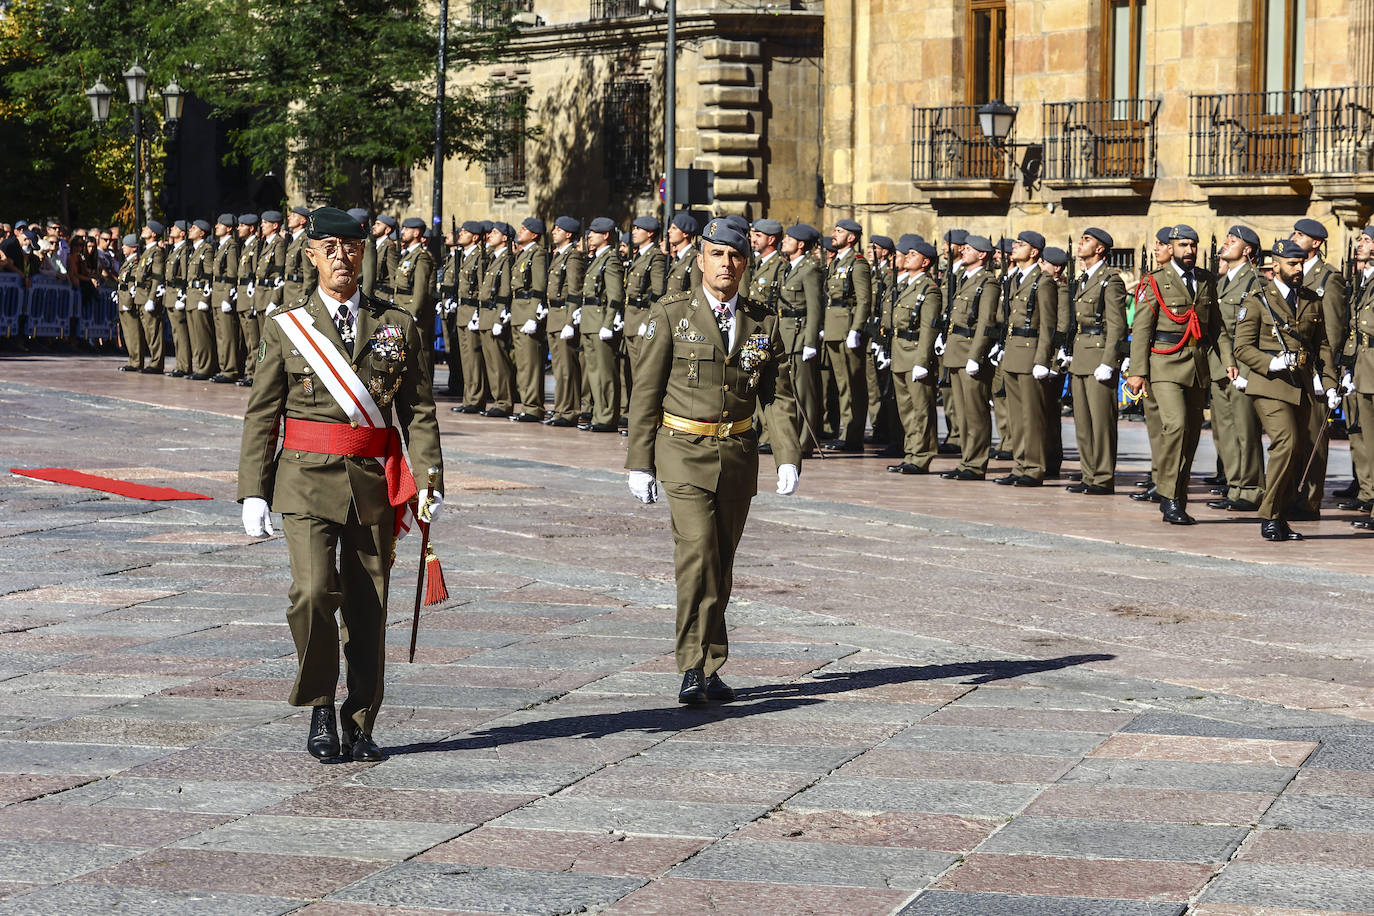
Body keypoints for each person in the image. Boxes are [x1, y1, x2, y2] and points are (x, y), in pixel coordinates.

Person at [237, 206, 443, 762]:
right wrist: (253, 490)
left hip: (373, 483)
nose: (341, 256)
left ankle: (361, 720)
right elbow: (263, 414)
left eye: (351, 246)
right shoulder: (287, 326)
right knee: (310, 595)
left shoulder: (397, 326)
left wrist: (428, 478)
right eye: (329, 247)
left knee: (368, 607)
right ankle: (322, 704)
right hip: (303, 479)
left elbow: (417, 411)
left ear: (364, 253)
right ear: (311, 255)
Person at [624, 218, 800, 704]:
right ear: (700, 259)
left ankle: (712, 660)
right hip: (683, 452)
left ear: (747, 262)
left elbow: (777, 395)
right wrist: (639, 461)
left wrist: (787, 455)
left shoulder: (763, 321)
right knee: (697, 555)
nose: (727, 264)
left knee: (721, 562)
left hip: (738, 456)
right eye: (717, 254)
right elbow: (646, 392)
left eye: (736, 255)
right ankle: (691, 665)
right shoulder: (672, 314)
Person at [1233, 239, 1333, 541]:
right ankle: (1270, 515)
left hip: (1300, 385)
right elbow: (1242, 346)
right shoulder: (1257, 300)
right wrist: (1270, 363)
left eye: (1301, 263)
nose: (1299, 268)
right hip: (1270, 384)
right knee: (1286, 443)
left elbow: (1323, 346)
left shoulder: (1311, 300)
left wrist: (1328, 383)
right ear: (1275, 266)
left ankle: (1282, 514)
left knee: (1298, 450)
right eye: (1292, 263)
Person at [1125, 224, 1221, 525]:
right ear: (1171, 248)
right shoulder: (1155, 281)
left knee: (1192, 433)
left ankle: (1178, 497)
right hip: (1164, 363)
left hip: (1196, 364)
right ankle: (1167, 496)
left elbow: (1216, 328)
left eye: (1193, 245)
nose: (1189, 251)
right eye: (1182, 245)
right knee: (1176, 426)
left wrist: (1226, 363)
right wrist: (1137, 371)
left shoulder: (1206, 280)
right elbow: (1142, 329)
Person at [1205, 226, 1266, 513]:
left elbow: (1252, 330)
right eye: (1226, 239)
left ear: (1248, 250)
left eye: (1233, 240)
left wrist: (1248, 369)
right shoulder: (1220, 282)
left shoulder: (1254, 281)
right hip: (1218, 364)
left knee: (1245, 429)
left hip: (1241, 366)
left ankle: (1252, 489)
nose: (1226, 243)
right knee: (1223, 431)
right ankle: (1235, 486)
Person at [1064, 227, 1127, 495]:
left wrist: (1110, 361)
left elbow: (1117, 325)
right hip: (1080, 355)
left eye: (1086, 240)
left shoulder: (1109, 280)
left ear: (1100, 249)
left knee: (1101, 423)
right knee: (1084, 422)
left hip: (1099, 356)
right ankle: (1089, 474)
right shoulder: (1082, 280)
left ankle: (1102, 477)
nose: (1080, 244)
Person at [996, 230, 1057, 487]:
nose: (1014, 247)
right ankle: (1020, 464)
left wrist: (1042, 360)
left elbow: (1048, 325)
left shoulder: (1043, 282)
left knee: (1031, 416)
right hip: (1012, 352)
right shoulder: (1015, 280)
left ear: (1034, 252)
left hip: (1031, 353)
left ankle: (1033, 467)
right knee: (1015, 416)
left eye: (1020, 244)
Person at [939, 235, 1000, 480]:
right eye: (962, 248)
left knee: (975, 412)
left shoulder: (988, 283)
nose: (963, 251)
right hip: (955, 351)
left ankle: (976, 464)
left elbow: (985, 321)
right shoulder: (962, 279)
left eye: (968, 249)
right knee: (962, 413)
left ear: (982, 255)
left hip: (970, 353)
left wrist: (976, 355)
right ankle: (966, 460)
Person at [886, 235, 942, 474]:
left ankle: (922, 455)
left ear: (925, 262)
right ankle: (911, 452)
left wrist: (922, 361)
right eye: (906, 254)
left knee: (921, 410)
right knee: (906, 410)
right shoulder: (906, 285)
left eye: (912, 255)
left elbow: (929, 328)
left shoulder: (929, 289)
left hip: (915, 355)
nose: (906, 257)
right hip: (900, 354)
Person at [822, 219, 872, 451]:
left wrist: (856, 329)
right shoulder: (837, 262)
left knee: (853, 385)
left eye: (839, 232)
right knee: (842, 384)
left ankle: (853, 435)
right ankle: (846, 432)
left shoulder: (858, 263)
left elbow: (864, 300)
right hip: (834, 327)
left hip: (846, 329)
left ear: (851, 238)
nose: (834, 234)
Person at [777, 223, 824, 453]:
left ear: (801, 244)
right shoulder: (789, 267)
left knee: (804, 393)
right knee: (789, 391)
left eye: (789, 238)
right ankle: (793, 437)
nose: (784, 241)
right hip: (786, 335)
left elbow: (815, 308)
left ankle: (805, 442)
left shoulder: (809, 269)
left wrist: (810, 342)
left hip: (799, 336)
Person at [580, 217, 625, 432]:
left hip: (600, 320)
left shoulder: (611, 259)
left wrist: (609, 323)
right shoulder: (597, 258)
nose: (589, 236)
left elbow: (615, 295)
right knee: (593, 372)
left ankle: (607, 417)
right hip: (589, 320)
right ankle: (599, 414)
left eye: (594, 232)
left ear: (606, 235)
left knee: (605, 373)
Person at [545, 217, 586, 427]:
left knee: (567, 368)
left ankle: (569, 411)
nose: (554, 232)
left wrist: (571, 321)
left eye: (559, 230)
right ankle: (560, 409)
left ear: (569, 234)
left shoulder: (573, 257)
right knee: (558, 368)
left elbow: (574, 291)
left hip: (563, 316)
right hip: (554, 316)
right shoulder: (560, 256)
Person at [509, 217, 549, 422]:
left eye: (524, 229)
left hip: (527, 314)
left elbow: (539, 287)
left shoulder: (537, 255)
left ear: (534, 235)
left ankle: (533, 407)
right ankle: (526, 405)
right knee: (522, 364)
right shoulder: (523, 255)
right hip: (518, 313)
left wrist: (534, 315)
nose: (520, 231)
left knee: (530, 364)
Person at [476, 221, 517, 418]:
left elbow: (506, 292)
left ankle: (504, 402)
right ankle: (497, 399)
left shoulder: (507, 260)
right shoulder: (493, 259)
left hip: (495, 315)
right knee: (491, 362)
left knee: (499, 362)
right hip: (485, 315)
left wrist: (501, 318)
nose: (490, 235)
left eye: (495, 232)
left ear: (505, 238)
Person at [211, 215, 242, 384]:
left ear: (229, 228)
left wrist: (227, 296)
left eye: (220, 224)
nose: (216, 226)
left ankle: (230, 369)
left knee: (227, 334)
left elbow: (231, 274)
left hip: (223, 294)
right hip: (216, 293)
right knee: (220, 335)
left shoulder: (231, 247)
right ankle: (224, 368)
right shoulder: (221, 246)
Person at [185, 219, 218, 381]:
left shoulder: (207, 249)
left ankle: (205, 368)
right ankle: (199, 366)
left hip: (199, 295)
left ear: (202, 233)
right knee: (194, 335)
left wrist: (205, 297)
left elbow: (209, 276)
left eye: (194, 228)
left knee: (202, 334)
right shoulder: (194, 250)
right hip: (191, 295)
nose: (190, 230)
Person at [134, 220, 168, 375]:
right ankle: (152, 361)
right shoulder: (146, 252)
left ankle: (156, 363)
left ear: (154, 234)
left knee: (153, 330)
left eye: (147, 228)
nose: (143, 229)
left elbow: (156, 277)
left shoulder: (156, 252)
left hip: (148, 296)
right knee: (147, 331)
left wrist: (152, 299)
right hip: (141, 296)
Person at [115, 234, 145, 371]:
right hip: (123, 298)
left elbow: (132, 283)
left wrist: (128, 299)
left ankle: (136, 361)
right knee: (127, 332)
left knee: (133, 332)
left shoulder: (136, 263)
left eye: (125, 245)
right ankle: (133, 359)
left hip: (128, 300)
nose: (122, 247)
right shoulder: (128, 261)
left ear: (133, 248)